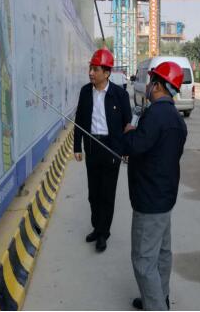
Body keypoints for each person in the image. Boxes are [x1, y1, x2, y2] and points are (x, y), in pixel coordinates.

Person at [122, 61, 188, 311]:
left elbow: (135, 145)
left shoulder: (154, 116)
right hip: (164, 196)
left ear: (159, 86)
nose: (148, 86)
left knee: (143, 259)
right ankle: (160, 298)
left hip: (149, 199)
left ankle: (156, 306)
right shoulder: (177, 119)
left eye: (151, 82)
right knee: (161, 253)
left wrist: (130, 132)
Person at [73, 48, 132, 252]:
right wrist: (77, 147)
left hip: (111, 149)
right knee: (93, 193)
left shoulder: (120, 94)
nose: (91, 73)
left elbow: (127, 124)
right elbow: (79, 121)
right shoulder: (85, 92)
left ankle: (103, 234)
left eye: (95, 69)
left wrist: (125, 149)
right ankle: (96, 227)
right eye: (90, 68)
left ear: (106, 73)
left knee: (107, 194)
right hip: (92, 147)